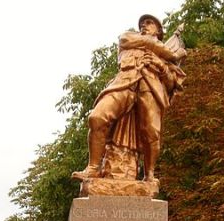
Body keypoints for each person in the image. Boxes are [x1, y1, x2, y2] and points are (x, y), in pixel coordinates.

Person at [72, 14, 186, 183]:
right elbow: (128, 40)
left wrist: (160, 65)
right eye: (142, 23)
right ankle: (93, 169)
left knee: (151, 134)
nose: (144, 26)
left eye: (149, 23)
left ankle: (149, 175)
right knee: (96, 118)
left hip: (150, 88)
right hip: (125, 83)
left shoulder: (163, 57)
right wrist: (164, 51)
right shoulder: (130, 38)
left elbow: (171, 83)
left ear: (159, 30)